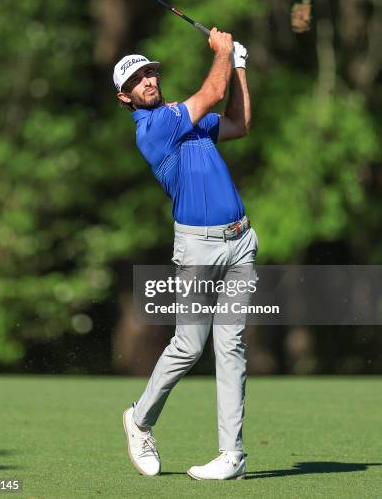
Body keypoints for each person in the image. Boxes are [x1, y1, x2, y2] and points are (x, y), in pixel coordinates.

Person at [113, 28, 258, 480]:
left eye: (151, 73)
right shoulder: (154, 128)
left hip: (240, 242)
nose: (149, 81)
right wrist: (222, 53)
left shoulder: (187, 120)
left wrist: (238, 65)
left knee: (231, 346)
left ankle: (231, 455)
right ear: (126, 98)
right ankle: (139, 420)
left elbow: (239, 122)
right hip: (198, 247)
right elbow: (213, 92)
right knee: (189, 345)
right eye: (138, 80)